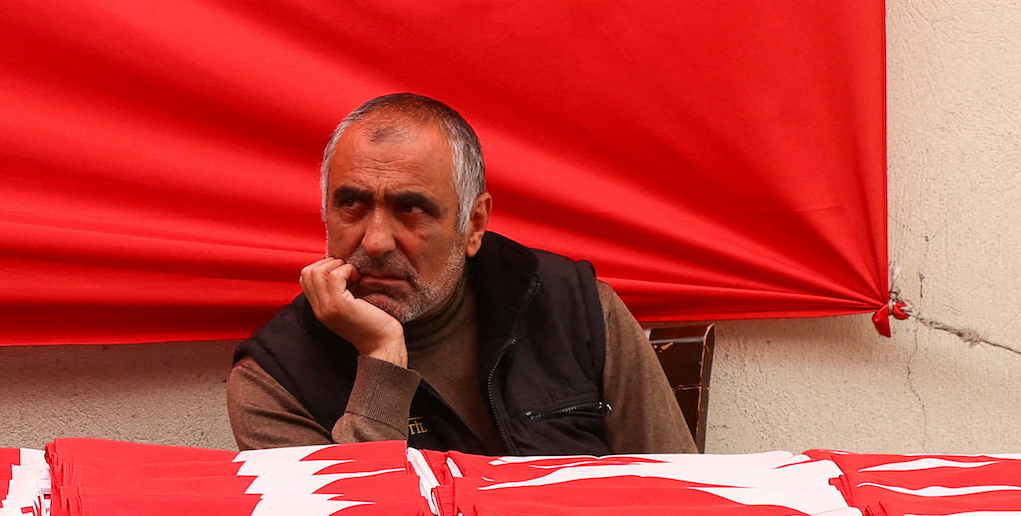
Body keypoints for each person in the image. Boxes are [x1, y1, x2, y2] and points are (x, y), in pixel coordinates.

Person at [228, 93, 694, 455]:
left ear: (473, 224)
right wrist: (381, 360)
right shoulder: (276, 378)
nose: (375, 241)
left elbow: (679, 499)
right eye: (351, 204)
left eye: (409, 209)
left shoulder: (576, 309)